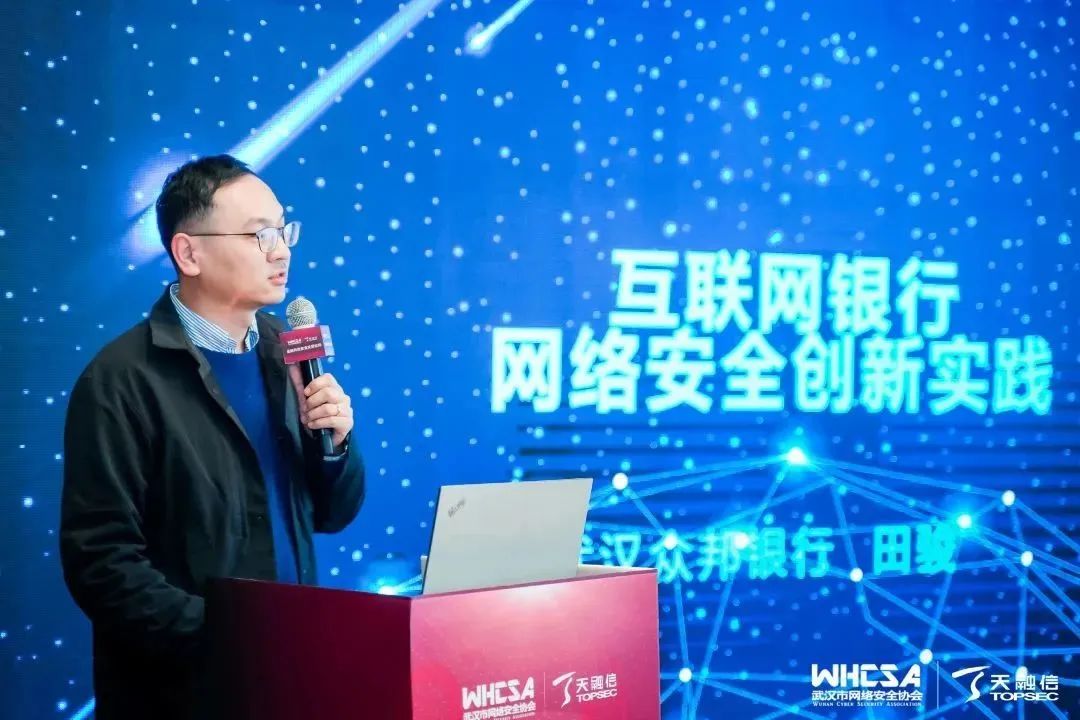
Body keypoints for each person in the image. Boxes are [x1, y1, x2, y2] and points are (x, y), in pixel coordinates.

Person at [60, 154, 366, 719]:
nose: (281, 250)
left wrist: (335, 445)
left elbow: (332, 514)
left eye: (284, 231)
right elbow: (101, 564)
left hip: (290, 679)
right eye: (259, 235)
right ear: (189, 253)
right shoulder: (122, 379)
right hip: (183, 695)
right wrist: (233, 638)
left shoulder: (286, 353)